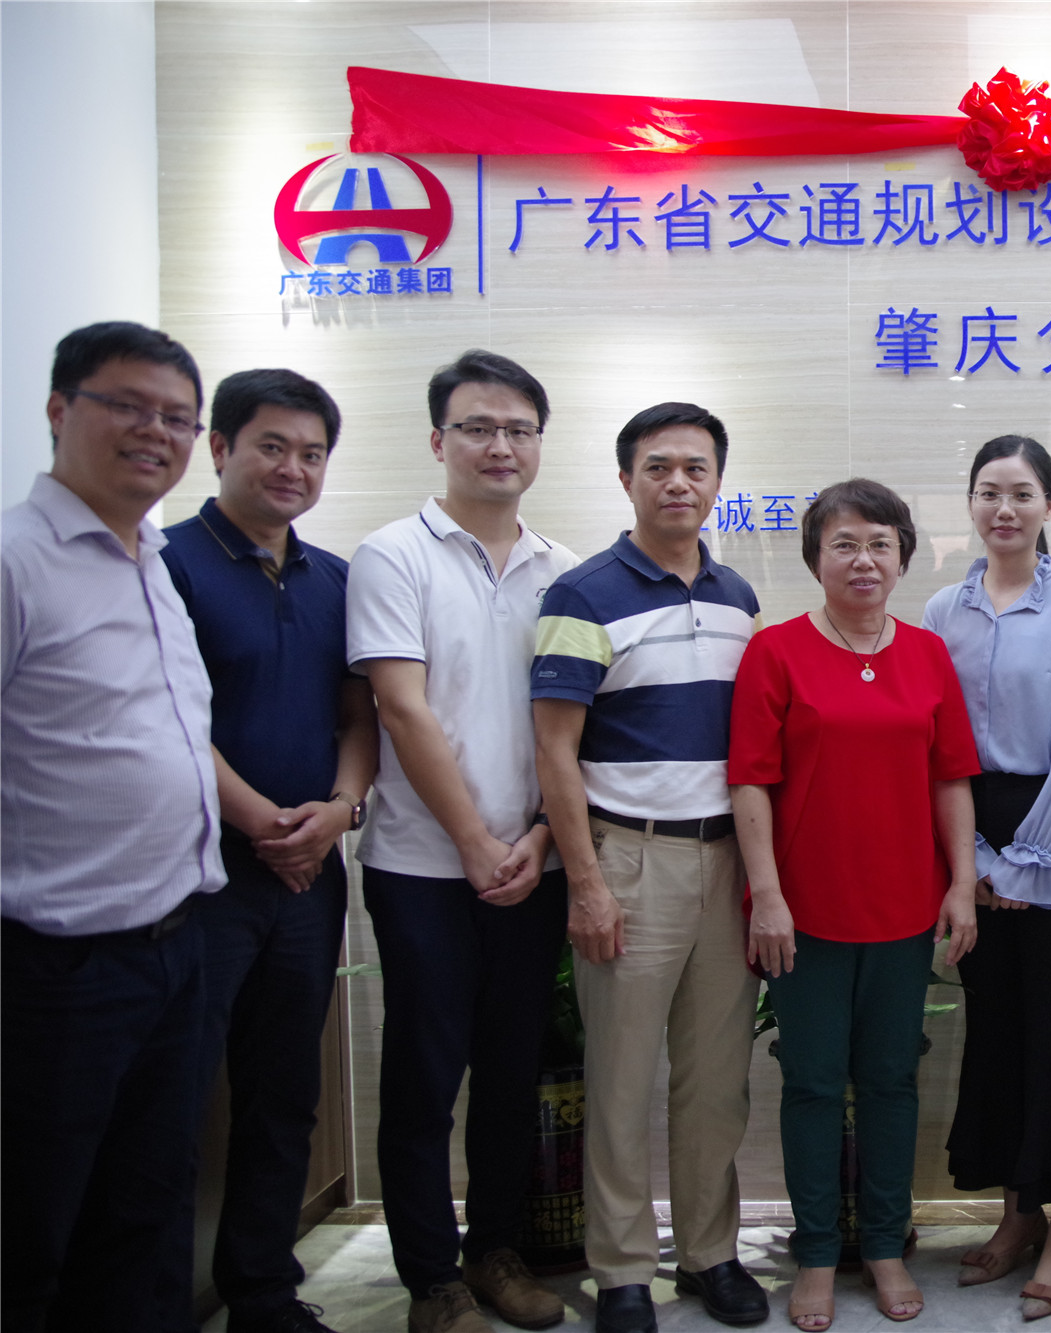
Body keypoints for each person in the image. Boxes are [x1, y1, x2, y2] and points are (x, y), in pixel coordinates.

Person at [347, 350, 580, 1333]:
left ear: (539, 444)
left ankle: (494, 1251)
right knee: (423, 1078)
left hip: (533, 866)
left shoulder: (564, 571)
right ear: (439, 439)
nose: (499, 445)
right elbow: (400, 708)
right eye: (479, 427)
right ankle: (430, 1280)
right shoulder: (392, 554)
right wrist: (475, 842)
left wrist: (538, 837)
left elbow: (578, 728)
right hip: (422, 869)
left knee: (513, 1074)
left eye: (518, 429)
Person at [2, 321, 222, 1333]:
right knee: (35, 1229)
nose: (156, 432)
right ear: (60, 410)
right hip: (56, 968)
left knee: (146, 1215)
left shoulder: (150, 559)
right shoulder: (18, 562)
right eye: (128, 406)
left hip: (172, 943)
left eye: (177, 417)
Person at [531, 402, 767, 1333]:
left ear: (718, 483)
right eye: (658, 466)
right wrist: (587, 883)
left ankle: (709, 1253)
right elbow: (554, 751)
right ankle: (624, 1269)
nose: (678, 483)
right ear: (626, 478)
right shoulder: (582, 594)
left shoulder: (739, 596)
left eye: (696, 468)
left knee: (716, 1080)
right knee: (622, 1078)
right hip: (629, 856)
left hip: (726, 860)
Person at [728, 479, 981, 1332]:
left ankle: (882, 1244)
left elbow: (951, 777)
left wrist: (960, 882)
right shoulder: (776, 651)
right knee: (809, 1083)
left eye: (880, 542)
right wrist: (767, 893)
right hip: (803, 914)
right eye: (844, 543)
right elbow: (750, 780)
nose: (863, 559)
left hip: (905, 909)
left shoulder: (927, 653)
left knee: (889, 1080)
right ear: (815, 558)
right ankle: (813, 1254)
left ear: (903, 557)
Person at [161, 369, 379, 1333]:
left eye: (312, 453)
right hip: (198, 876)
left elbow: (359, 715)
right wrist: (260, 821)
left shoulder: (337, 578)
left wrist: (339, 809)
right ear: (220, 448)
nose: (294, 468)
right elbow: (168, 716)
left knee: (284, 1090)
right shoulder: (165, 564)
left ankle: (261, 1293)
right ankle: (152, 1296)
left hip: (308, 875)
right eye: (272, 446)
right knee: (171, 1098)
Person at [923, 436, 1051, 1321]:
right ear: (970, 503)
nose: (1005, 509)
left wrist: (1023, 857)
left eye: (1023, 493)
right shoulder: (940, 609)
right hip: (968, 827)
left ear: (1049, 505)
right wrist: (971, 862)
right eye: (989, 492)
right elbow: (936, 745)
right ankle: (1017, 1211)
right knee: (994, 1026)